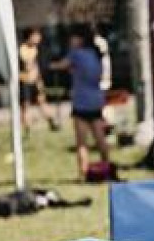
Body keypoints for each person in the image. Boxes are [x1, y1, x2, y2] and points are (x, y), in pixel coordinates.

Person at [50, 25, 110, 181]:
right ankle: (107, 166)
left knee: (81, 142)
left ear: (80, 39)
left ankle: (83, 173)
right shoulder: (96, 53)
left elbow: (62, 65)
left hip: (81, 101)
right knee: (100, 137)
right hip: (96, 99)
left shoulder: (76, 54)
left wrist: (51, 65)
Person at [19, 28, 60, 134]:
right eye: (36, 36)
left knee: (41, 102)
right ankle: (27, 129)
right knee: (25, 105)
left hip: (35, 81)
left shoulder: (38, 49)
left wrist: (39, 81)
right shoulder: (22, 48)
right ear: (30, 36)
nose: (39, 38)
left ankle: (52, 122)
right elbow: (26, 65)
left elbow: (38, 66)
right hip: (24, 81)